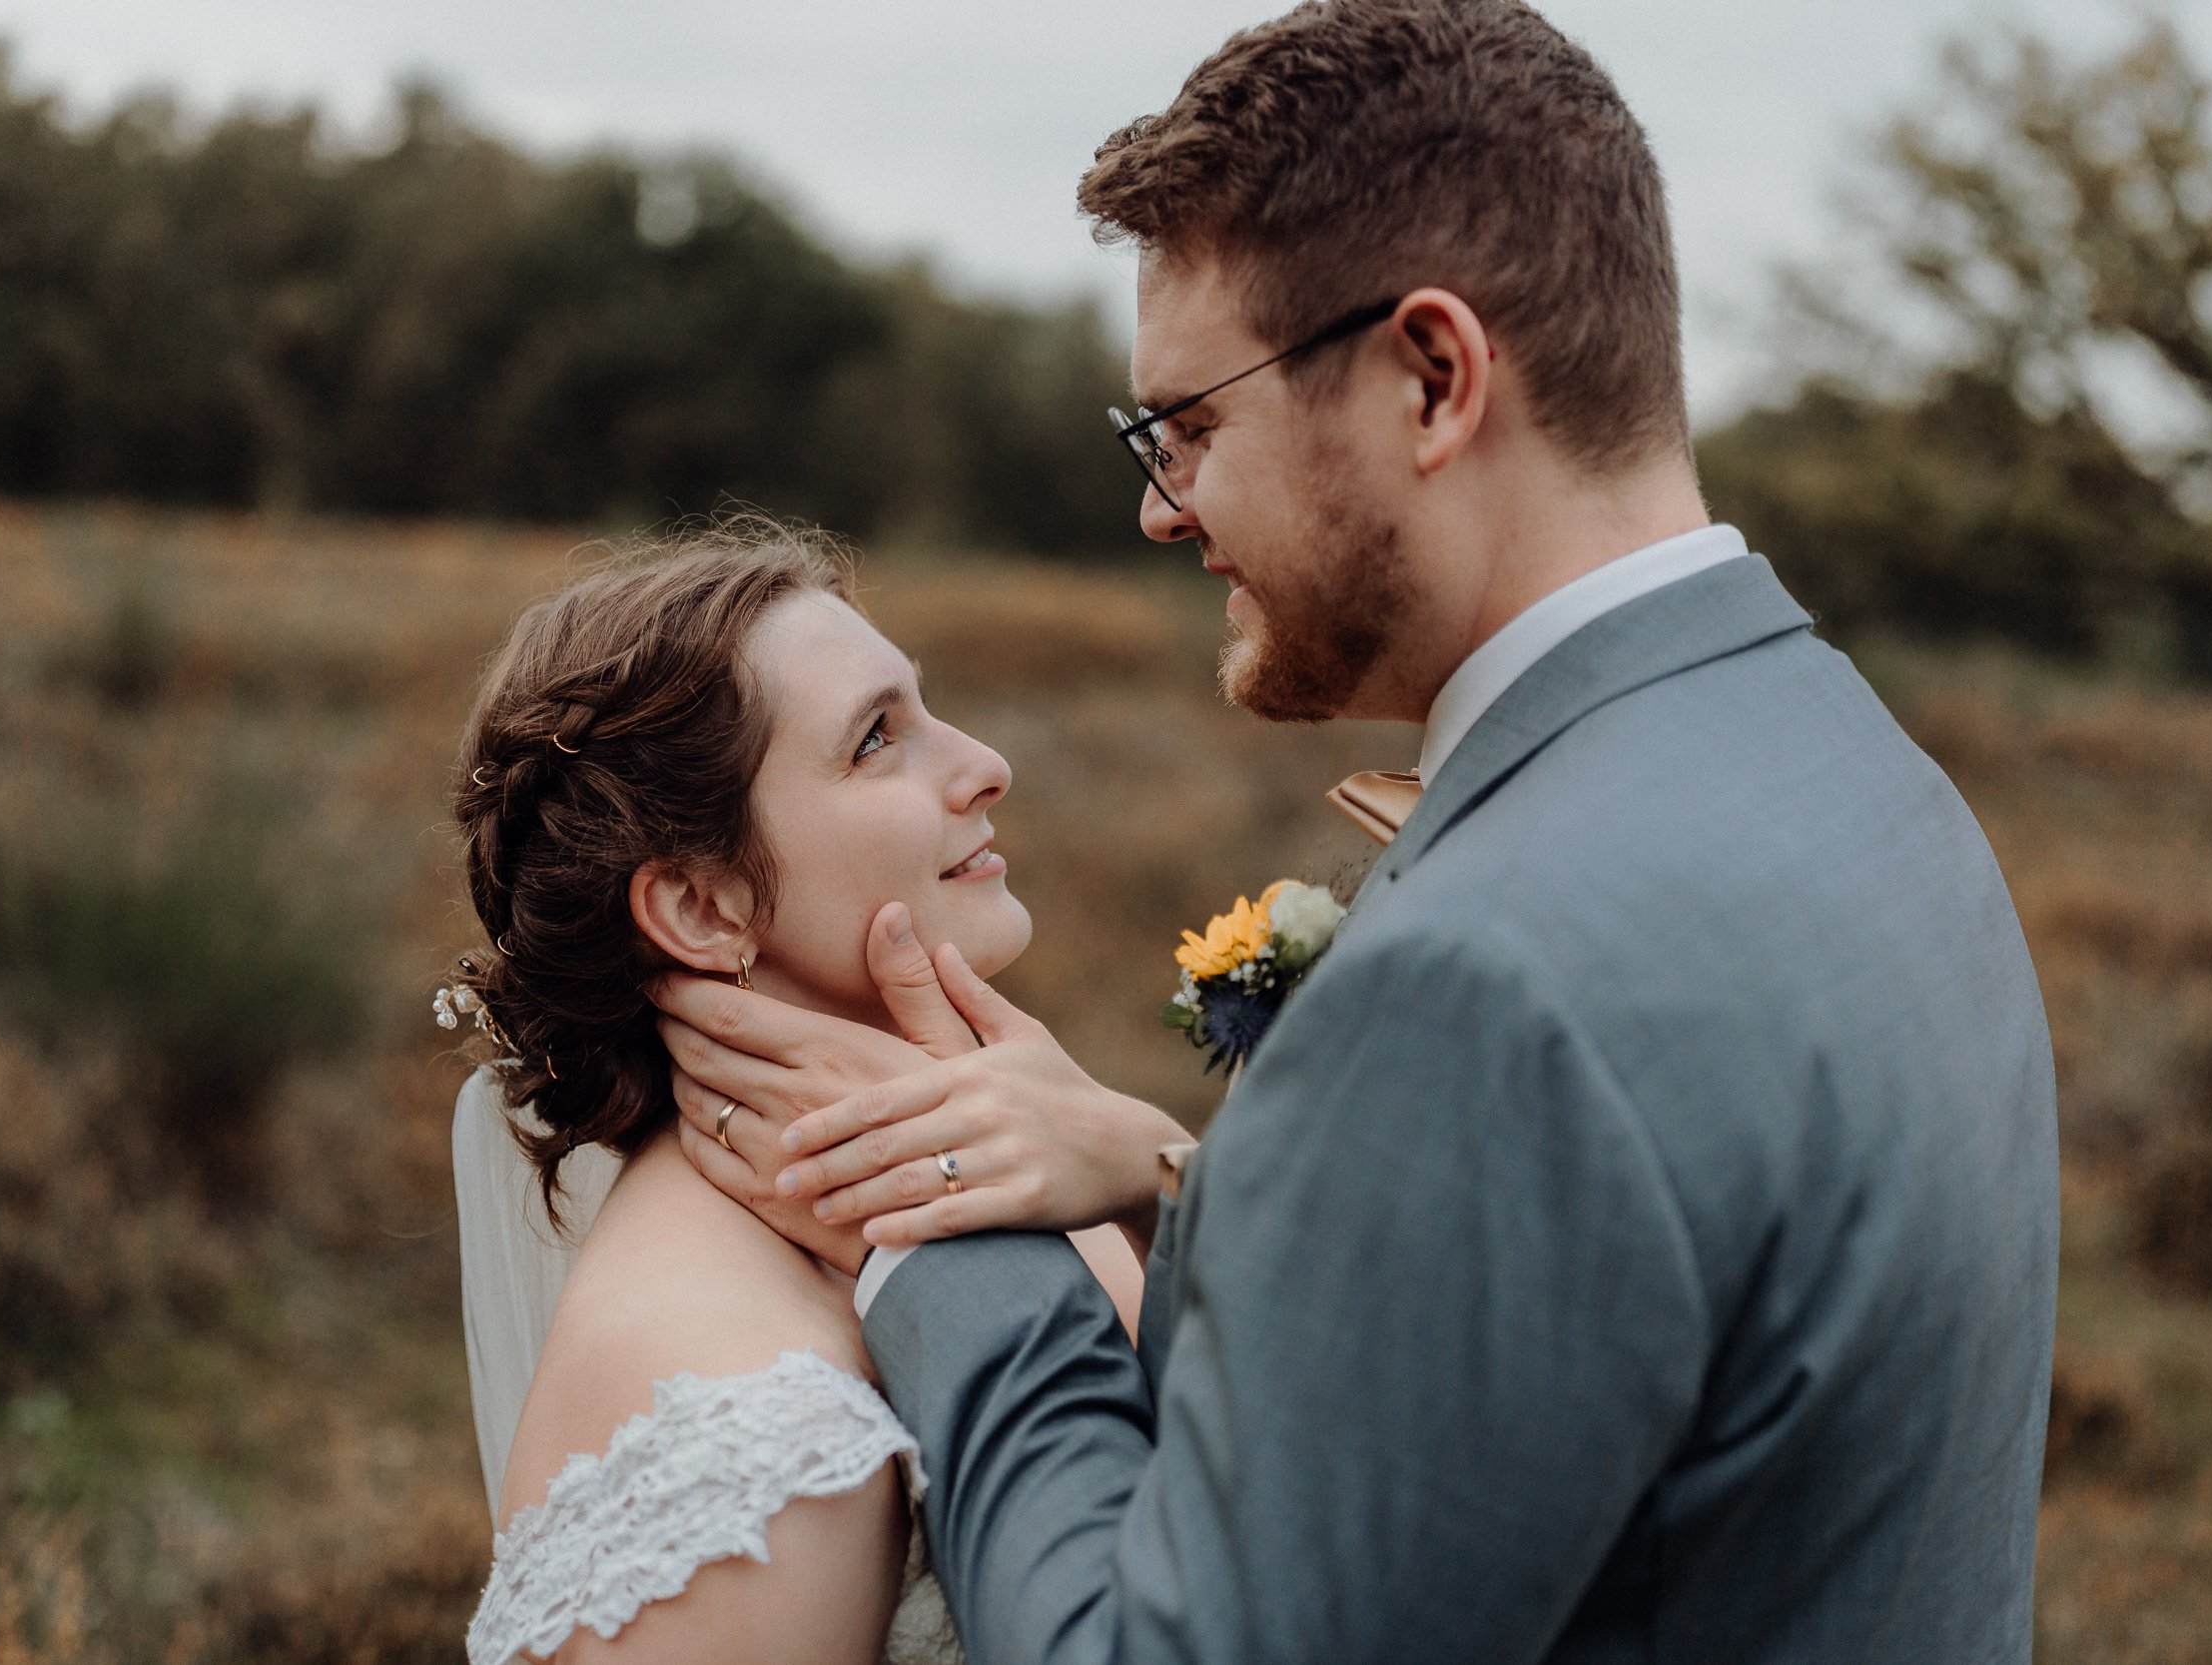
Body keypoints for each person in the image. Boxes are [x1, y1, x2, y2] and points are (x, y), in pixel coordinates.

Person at [657, 3, 2061, 1661]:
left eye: (1189, 425)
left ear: (1432, 377)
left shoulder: (1489, 988)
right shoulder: (1846, 764)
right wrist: (1170, 1175)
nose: (1159, 505)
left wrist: (954, 1235)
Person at [443, 528, 1174, 1665]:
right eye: (877, 738)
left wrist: (1152, 1164)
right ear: (702, 907)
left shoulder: (1045, 1164)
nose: (985, 761)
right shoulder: (744, 1412)